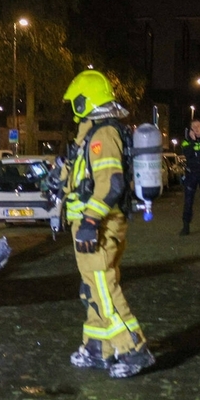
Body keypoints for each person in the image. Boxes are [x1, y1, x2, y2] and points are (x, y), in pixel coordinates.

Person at [57, 69, 154, 379]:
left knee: (103, 288)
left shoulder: (103, 135)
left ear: (87, 101)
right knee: (91, 290)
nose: (73, 107)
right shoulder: (90, 134)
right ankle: (99, 348)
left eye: (76, 101)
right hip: (89, 225)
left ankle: (134, 350)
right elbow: (82, 177)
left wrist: (89, 220)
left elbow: (110, 184)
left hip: (98, 226)